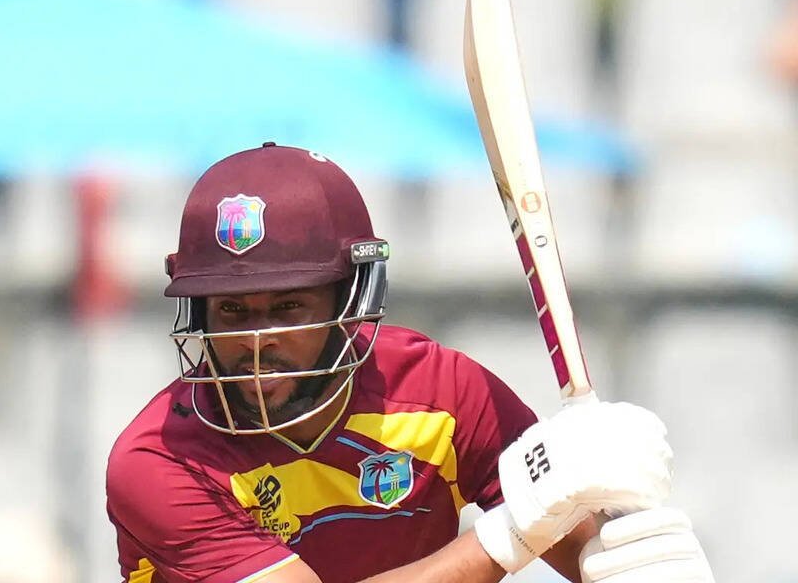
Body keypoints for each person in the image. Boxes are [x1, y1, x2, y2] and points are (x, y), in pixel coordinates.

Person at [105, 143, 714, 582]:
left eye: (289, 307)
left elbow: (577, 544)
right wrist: (509, 535)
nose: (258, 342)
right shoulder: (158, 458)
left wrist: (627, 545)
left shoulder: (443, 392)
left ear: (351, 301)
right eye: (233, 310)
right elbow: (526, 524)